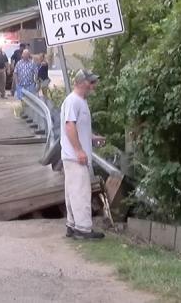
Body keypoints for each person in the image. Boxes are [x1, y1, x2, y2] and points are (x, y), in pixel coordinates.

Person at [61, 69, 105, 240]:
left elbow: (78, 128)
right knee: (81, 192)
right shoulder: (73, 101)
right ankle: (83, 229)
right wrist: (79, 150)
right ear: (82, 83)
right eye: (91, 82)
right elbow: (70, 126)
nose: (94, 85)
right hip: (75, 157)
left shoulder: (80, 101)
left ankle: (72, 225)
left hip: (74, 155)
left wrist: (92, 138)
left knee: (72, 192)